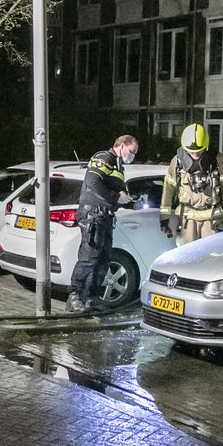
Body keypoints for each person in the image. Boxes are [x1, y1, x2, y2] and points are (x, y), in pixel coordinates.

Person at [66, 134, 139, 313]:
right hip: (93, 215)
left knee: (103, 260)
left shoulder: (118, 165)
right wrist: (116, 197)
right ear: (121, 146)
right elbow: (93, 182)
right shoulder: (103, 158)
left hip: (105, 217)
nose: (132, 155)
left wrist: (128, 200)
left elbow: (112, 188)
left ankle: (91, 298)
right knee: (89, 257)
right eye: (131, 151)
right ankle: (74, 296)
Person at [159, 123, 223, 245]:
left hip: (211, 219)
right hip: (187, 221)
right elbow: (168, 189)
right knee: (186, 258)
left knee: (211, 257)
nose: (195, 154)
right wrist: (164, 218)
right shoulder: (178, 162)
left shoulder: (218, 160)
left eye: (198, 151)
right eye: (191, 151)